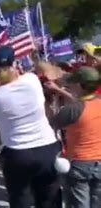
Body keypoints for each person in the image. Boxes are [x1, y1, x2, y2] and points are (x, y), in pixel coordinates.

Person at [0, 46, 61, 208]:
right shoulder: (31, 81)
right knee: (49, 197)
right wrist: (36, 60)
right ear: (14, 64)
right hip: (46, 148)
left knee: (20, 199)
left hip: (17, 152)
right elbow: (49, 72)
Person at [45, 67, 101, 208]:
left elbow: (52, 124)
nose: (70, 86)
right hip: (99, 160)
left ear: (79, 86)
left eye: (73, 83)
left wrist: (51, 104)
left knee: (79, 203)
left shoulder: (73, 109)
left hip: (79, 162)